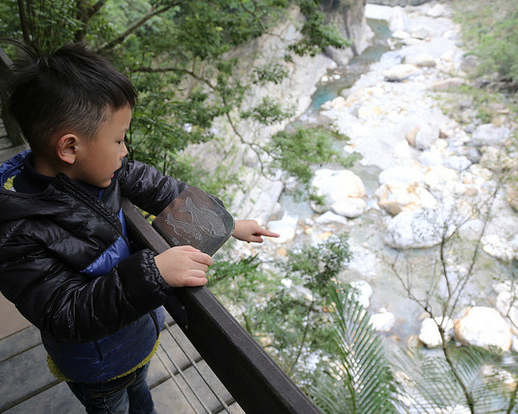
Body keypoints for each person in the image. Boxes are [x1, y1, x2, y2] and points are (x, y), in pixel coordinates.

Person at [0, 43, 279, 414]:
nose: (124, 152)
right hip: (97, 368)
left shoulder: (100, 172)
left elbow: (161, 189)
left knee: (141, 395)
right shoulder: (17, 230)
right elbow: (66, 313)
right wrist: (155, 271)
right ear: (69, 148)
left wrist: (227, 225)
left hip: (137, 337)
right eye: (118, 140)